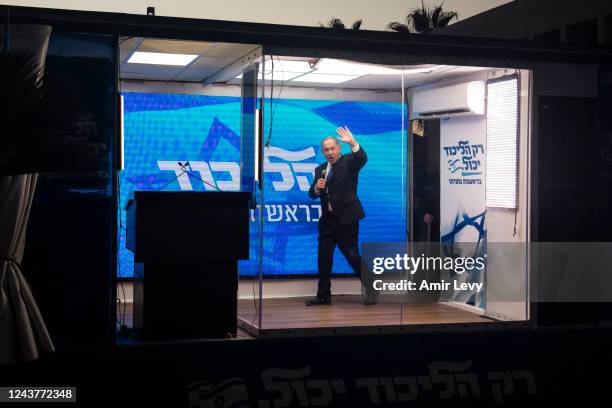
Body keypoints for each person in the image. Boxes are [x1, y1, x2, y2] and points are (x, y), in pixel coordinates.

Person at [306, 126, 375, 306]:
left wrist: (352, 142)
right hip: (327, 221)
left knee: (352, 256)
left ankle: (373, 288)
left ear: (339, 148)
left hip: (346, 219)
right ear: (323, 151)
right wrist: (316, 187)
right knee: (324, 258)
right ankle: (323, 296)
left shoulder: (350, 161)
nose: (329, 152)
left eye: (332, 148)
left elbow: (362, 158)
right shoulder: (319, 169)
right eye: (326, 149)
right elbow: (312, 194)